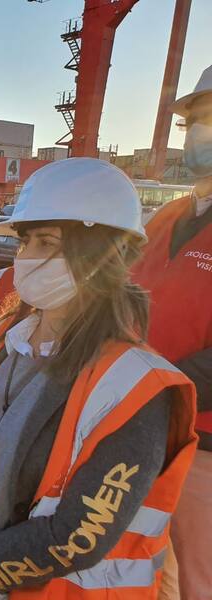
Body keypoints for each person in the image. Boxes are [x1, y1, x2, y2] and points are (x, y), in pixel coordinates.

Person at [0, 158, 198, 599]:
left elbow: (78, 536)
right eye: (27, 241)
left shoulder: (136, 387)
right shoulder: (3, 340)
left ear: (103, 255)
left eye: (47, 242)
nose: (27, 257)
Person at [130, 64, 212, 599]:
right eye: (194, 122)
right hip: (144, 427)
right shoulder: (167, 216)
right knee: (148, 571)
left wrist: (161, 392)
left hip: (203, 443)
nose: (198, 134)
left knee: (199, 576)